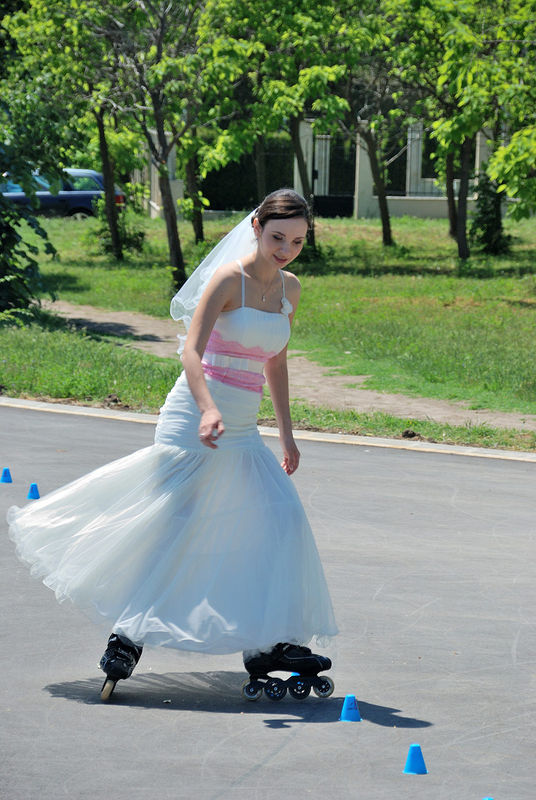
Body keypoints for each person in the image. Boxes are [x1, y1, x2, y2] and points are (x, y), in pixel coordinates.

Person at [7, 188, 338, 702]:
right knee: (173, 526)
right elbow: (190, 352)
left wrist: (287, 434)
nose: (286, 250)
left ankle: (267, 644)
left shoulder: (290, 289)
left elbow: (276, 362)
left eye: (297, 241)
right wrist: (207, 408)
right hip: (193, 416)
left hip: (242, 425)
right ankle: (126, 637)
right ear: (256, 228)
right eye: (278, 237)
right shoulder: (228, 280)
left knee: (278, 521)